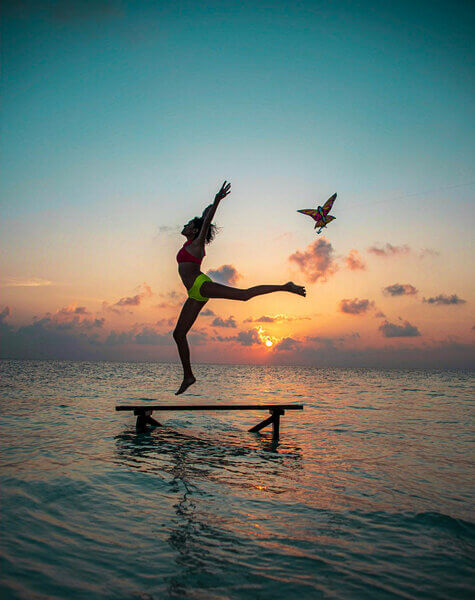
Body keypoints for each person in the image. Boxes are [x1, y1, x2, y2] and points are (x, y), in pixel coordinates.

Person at [173, 181, 306, 395]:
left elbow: (206, 220)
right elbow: (204, 215)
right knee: (178, 334)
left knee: (244, 296)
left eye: (190, 224)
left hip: (200, 285)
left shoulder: (197, 244)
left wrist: (217, 201)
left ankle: (285, 286)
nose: (185, 225)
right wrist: (209, 205)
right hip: (193, 293)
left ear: (195, 230)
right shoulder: (189, 243)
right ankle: (188, 376)